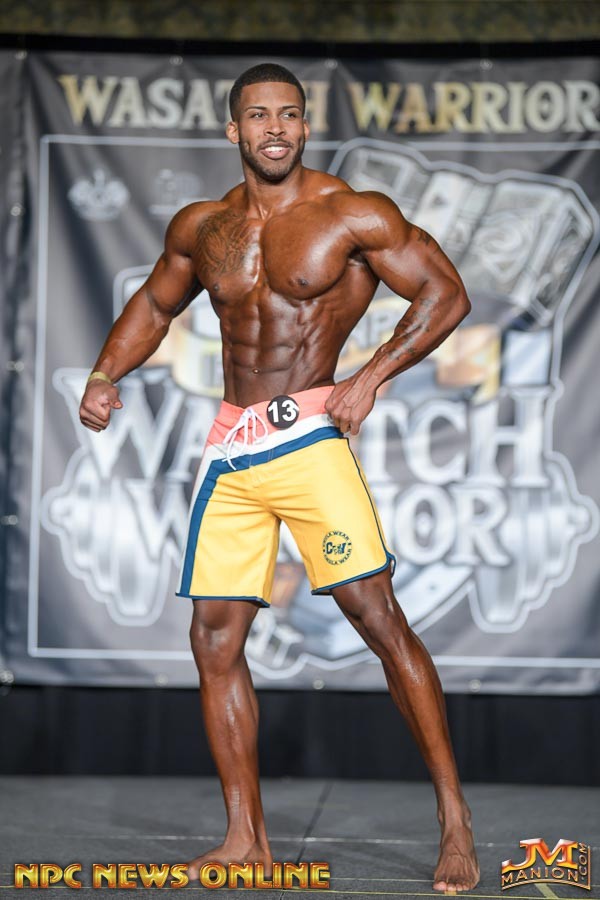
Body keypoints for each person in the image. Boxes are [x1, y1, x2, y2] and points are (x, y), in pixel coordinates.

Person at [79, 63, 480, 893]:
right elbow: (155, 305)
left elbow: (445, 294)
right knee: (213, 639)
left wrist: (370, 377)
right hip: (232, 447)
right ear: (234, 130)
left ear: (304, 126)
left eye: (289, 115)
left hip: (308, 440)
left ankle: (454, 818)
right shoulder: (203, 226)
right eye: (258, 116)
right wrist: (106, 373)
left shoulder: (352, 213)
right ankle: (245, 841)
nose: (275, 129)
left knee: (377, 618)